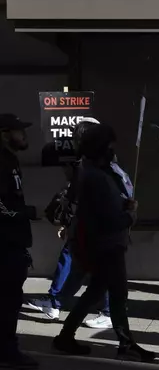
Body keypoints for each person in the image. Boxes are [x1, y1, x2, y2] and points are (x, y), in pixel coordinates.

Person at [52, 124, 155, 362]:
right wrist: (130, 215)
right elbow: (106, 218)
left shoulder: (96, 172)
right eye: (110, 147)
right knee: (117, 293)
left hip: (104, 244)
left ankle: (66, 335)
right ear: (100, 148)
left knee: (96, 291)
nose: (113, 151)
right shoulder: (96, 176)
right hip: (106, 245)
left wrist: (123, 206)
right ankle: (125, 343)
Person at [28, 119, 113, 329]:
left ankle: (107, 312)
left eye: (78, 137)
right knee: (76, 267)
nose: (75, 141)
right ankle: (57, 304)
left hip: (99, 229)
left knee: (98, 271)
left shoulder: (99, 164)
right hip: (85, 226)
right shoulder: (87, 163)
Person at [0, 113, 39, 370]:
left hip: (13, 243)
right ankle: (6, 353)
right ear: (4, 133)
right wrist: (29, 213)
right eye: (18, 130)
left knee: (10, 300)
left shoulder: (10, 160)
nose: (23, 134)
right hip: (4, 245)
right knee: (7, 301)